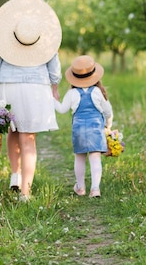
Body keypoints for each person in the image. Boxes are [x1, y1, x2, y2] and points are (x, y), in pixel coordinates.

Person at [0, 0, 62, 201]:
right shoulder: (46, 31)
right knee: (28, 137)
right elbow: (54, 64)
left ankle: (15, 175)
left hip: (8, 86)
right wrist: (54, 88)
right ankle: (25, 194)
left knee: (13, 130)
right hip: (36, 87)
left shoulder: (5, 30)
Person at [55, 55, 113, 198]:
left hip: (79, 130)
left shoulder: (72, 93)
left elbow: (62, 109)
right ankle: (95, 189)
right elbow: (108, 112)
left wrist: (53, 100)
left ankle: (80, 187)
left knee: (79, 158)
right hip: (95, 130)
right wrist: (108, 125)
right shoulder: (98, 92)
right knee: (95, 158)